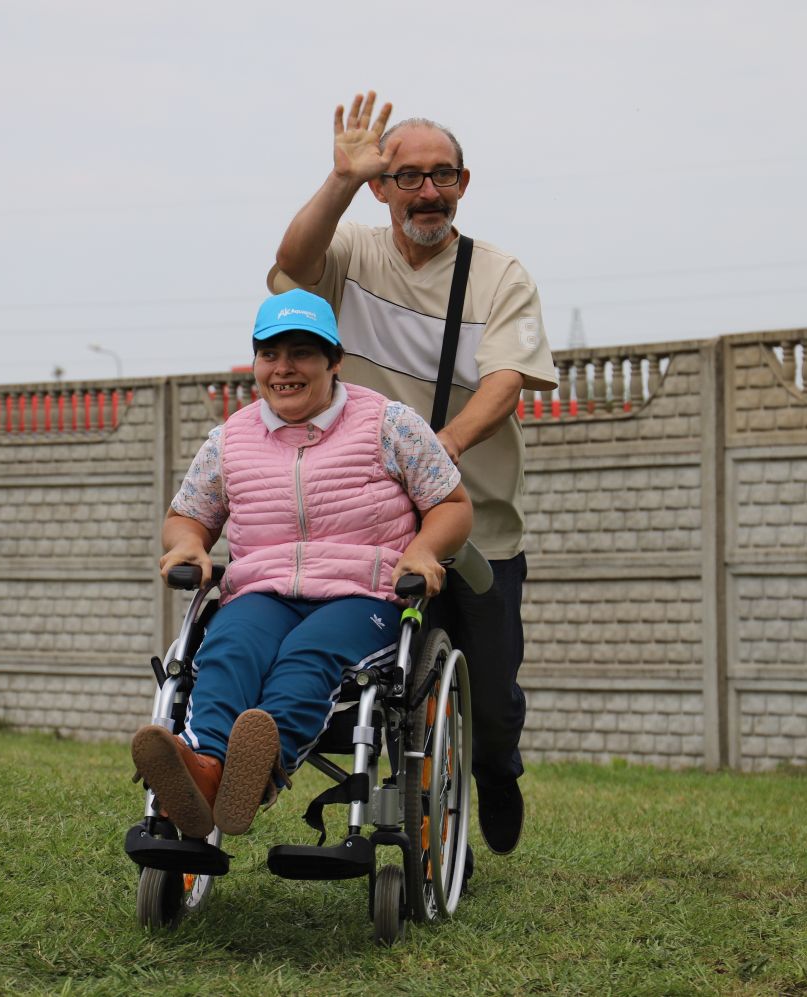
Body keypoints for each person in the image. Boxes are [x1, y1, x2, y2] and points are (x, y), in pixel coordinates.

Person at [267, 91, 556, 857]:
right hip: (373, 533)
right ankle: (409, 819)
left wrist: (441, 448)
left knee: (492, 698)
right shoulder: (354, 255)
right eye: (408, 177)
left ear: (464, 182)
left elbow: (506, 382)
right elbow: (293, 268)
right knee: (387, 689)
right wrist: (337, 179)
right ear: (382, 187)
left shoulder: (500, 276)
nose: (427, 190)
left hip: (476, 526)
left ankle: (496, 768)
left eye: (443, 175)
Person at [132, 288, 472, 840]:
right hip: (262, 594)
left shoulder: (390, 424)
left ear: (334, 361)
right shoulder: (229, 440)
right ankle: (205, 769)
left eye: (302, 353)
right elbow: (186, 517)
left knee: (307, 655)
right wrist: (190, 543)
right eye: (270, 354)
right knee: (226, 649)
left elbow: (452, 505)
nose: (283, 369)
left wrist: (424, 550)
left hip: (362, 596)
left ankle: (255, 772)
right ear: (256, 362)